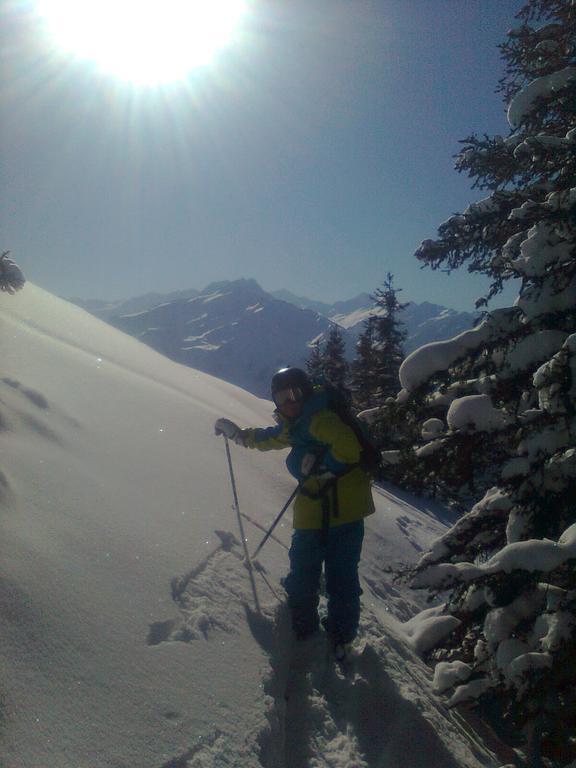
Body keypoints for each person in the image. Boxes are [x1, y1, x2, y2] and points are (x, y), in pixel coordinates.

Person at [214, 367, 375, 646]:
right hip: (326, 509)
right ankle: (333, 633)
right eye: (281, 397)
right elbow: (271, 437)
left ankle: (311, 628)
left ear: (306, 392)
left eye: (294, 394)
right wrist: (239, 435)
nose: (289, 402)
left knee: (322, 574)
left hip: (338, 512)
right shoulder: (299, 422)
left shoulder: (319, 419)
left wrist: (323, 468)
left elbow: (349, 448)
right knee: (335, 576)